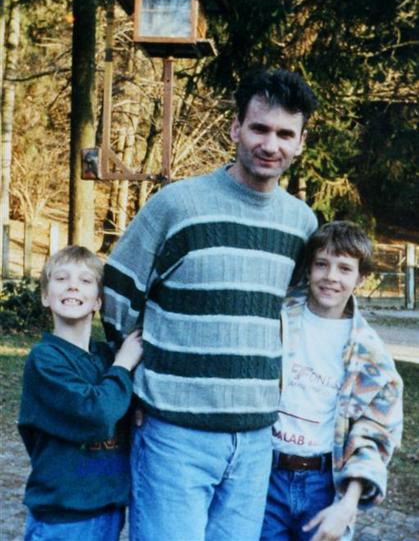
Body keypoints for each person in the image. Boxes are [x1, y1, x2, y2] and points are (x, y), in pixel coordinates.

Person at [103, 68, 318, 541]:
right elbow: (118, 293)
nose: (271, 144)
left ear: (301, 143)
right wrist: (130, 381)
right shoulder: (177, 206)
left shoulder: (301, 224)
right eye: (259, 128)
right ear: (236, 128)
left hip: (255, 440)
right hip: (173, 434)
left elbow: (293, 315)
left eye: (286, 134)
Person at [260, 221, 403, 541]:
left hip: (323, 485)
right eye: (322, 264)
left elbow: (375, 434)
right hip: (265, 476)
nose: (331, 277)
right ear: (309, 268)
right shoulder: (277, 321)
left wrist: (347, 505)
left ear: (361, 278)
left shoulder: (370, 356)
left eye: (345, 268)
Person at [18, 246, 143, 541]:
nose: (73, 285)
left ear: (98, 301)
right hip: (64, 518)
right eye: (61, 278)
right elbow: (97, 414)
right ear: (45, 296)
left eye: (85, 281)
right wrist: (124, 364)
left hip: (108, 511)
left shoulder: (106, 357)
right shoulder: (45, 359)